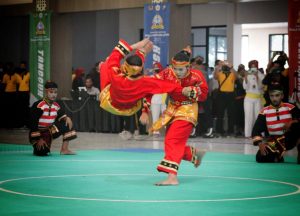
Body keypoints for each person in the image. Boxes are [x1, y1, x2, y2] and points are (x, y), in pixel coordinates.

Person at [150, 47, 209, 186]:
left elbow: (204, 95)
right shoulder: (167, 73)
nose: (177, 72)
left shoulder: (197, 75)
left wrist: (193, 91)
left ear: (188, 66)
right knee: (171, 142)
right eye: (175, 68)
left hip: (188, 109)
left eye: (181, 69)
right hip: (172, 109)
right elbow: (152, 84)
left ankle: (172, 177)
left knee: (172, 140)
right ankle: (193, 154)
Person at [99, 38, 187, 118]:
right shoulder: (146, 82)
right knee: (109, 63)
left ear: (125, 66)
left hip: (110, 104)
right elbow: (168, 86)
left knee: (107, 63)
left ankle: (102, 65)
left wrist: (135, 46)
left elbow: (115, 55)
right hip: (131, 108)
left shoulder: (116, 75)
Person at [252, 84, 300, 163]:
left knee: (296, 125)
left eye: (277, 95)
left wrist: (292, 122)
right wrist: (260, 144)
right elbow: (255, 130)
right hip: (275, 141)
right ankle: (278, 156)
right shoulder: (264, 111)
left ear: (282, 96)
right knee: (260, 157)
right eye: (272, 96)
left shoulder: (291, 107)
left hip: (290, 138)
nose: (274, 98)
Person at [29, 81, 77, 156]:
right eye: (51, 92)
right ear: (46, 92)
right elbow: (32, 123)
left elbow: (62, 116)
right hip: (37, 133)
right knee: (42, 152)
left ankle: (64, 149)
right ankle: (38, 147)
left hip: (49, 131)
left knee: (67, 123)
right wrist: (39, 139)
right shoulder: (38, 105)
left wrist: (67, 118)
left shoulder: (56, 105)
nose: (53, 95)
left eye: (55, 92)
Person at [213, 60, 237, 137]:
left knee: (231, 114)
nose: (226, 67)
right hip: (222, 95)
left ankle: (230, 131)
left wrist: (231, 67)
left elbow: (236, 76)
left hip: (231, 95)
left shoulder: (232, 74)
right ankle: (219, 131)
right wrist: (218, 67)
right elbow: (215, 76)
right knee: (220, 114)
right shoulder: (220, 73)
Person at [243, 60, 264, 138]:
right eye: (252, 66)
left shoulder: (261, 75)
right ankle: (248, 134)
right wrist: (245, 77)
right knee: (248, 116)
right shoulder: (247, 74)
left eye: (255, 66)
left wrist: (257, 77)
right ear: (250, 66)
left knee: (258, 116)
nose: (254, 67)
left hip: (258, 98)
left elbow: (261, 86)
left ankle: (259, 133)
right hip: (248, 98)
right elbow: (245, 87)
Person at [150, 62, 167, 136]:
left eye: (158, 68)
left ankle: (168, 131)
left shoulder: (165, 77)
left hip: (164, 100)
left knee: (166, 117)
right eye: (155, 68)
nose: (156, 69)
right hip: (155, 100)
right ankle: (155, 131)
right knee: (155, 117)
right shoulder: (151, 77)